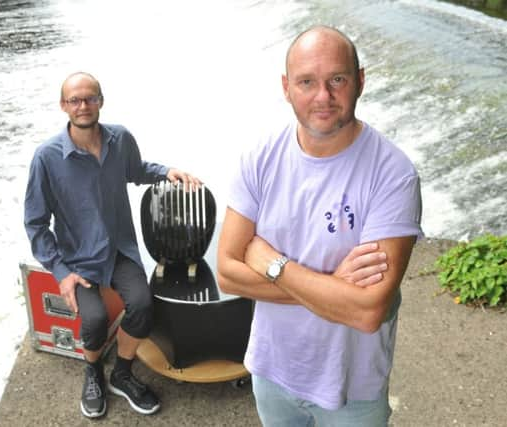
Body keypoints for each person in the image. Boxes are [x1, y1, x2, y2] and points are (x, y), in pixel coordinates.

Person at [217, 26, 423, 427]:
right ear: (286, 87)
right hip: (271, 373)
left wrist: (270, 261)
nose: (323, 96)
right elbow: (227, 273)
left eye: (338, 80)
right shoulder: (259, 158)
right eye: (307, 82)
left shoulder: (393, 174)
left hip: (352, 391)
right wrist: (334, 289)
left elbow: (367, 312)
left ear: (360, 81)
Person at [24, 71, 201, 419]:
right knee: (93, 321)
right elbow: (35, 224)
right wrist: (61, 272)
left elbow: (135, 170)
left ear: (101, 101)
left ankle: (122, 372)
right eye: (75, 100)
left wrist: (166, 171)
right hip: (78, 260)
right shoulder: (45, 158)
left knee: (143, 304)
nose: (83, 106)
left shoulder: (120, 139)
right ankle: (93, 372)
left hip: (119, 250)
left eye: (90, 98)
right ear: (64, 106)